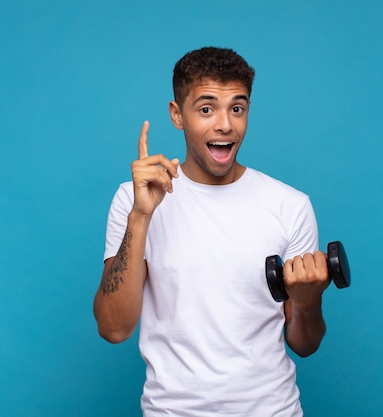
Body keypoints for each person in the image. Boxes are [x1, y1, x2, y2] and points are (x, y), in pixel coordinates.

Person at [94, 46, 331, 416]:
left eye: (237, 108)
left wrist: (307, 300)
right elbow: (113, 328)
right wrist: (141, 216)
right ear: (177, 115)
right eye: (206, 109)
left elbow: (305, 343)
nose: (225, 124)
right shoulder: (133, 199)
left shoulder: (291, 205)